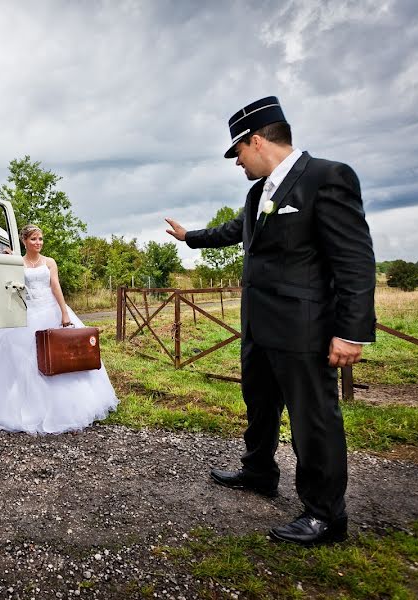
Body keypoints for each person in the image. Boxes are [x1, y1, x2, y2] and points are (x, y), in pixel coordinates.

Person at [165, 96, 376, 545]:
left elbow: (354, 260)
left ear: (257, 141)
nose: (237, 162)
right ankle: (259, 470)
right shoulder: (259, 191)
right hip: (258, 325)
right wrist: (189, 238)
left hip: (304, 329)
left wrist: (351, 331)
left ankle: (324, 515)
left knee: (312, 419)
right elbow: (234, 232)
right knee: (259, 403)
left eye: (238, 151)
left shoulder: (326, 178)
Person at [0, 224, 118, 434]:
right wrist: (11, 258)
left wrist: (64, 313)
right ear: (25, 241)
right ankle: (19, 405)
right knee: (20, 355)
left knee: (61, 354)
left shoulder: (49, 262)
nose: (38, 243)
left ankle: (68, 407)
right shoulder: (18, 262)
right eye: (34, 239)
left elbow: (55, 286)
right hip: (28, 312)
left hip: (50, 310)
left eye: (41, 239)